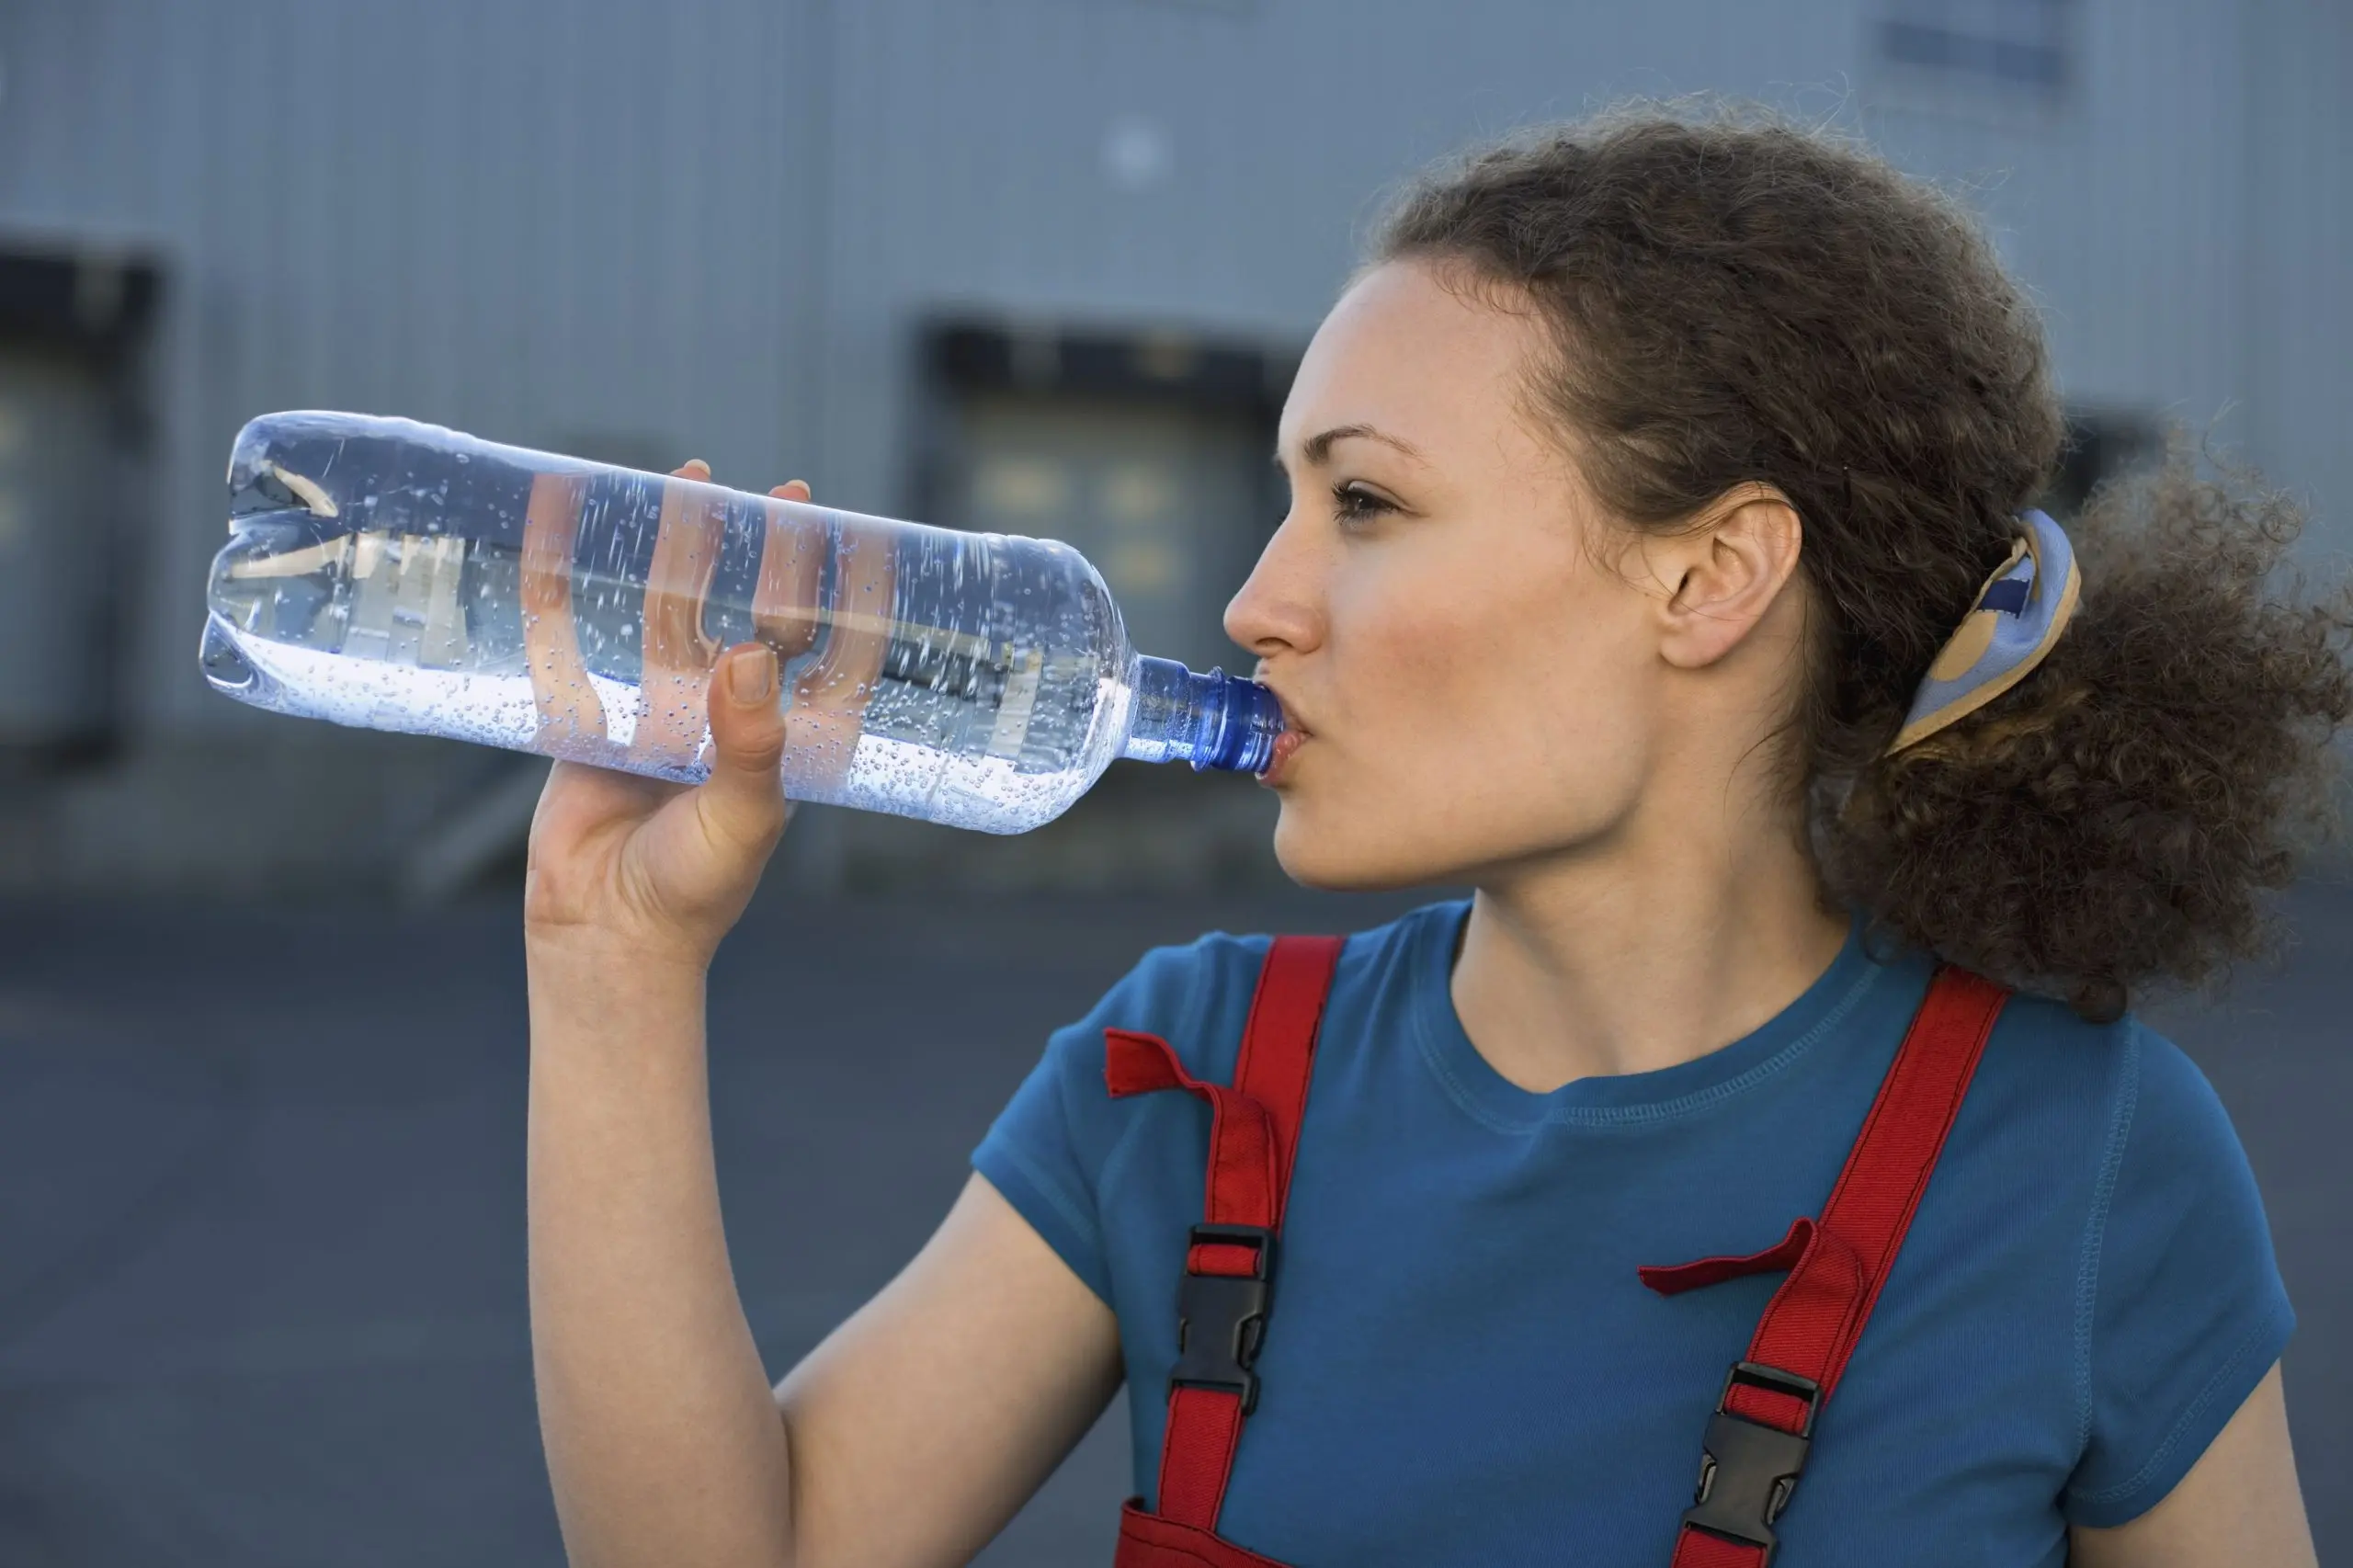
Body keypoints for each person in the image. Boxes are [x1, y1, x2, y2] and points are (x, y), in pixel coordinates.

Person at [519, 106, 2340, 1567]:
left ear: (1708, 576)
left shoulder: (2080, 1159)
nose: (1250, 601)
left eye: (1366, 502)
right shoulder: (1180, 1074)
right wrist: (608, 960)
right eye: (1283, 500)